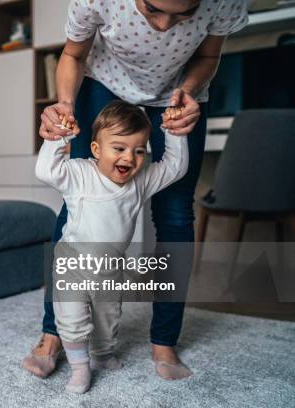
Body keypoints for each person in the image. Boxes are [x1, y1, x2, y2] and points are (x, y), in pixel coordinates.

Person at [22, 0, 248, 381]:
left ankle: (164, 341)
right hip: (104, 85)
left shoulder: (227, 1)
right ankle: (53, 333)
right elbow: (74, 53)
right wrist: (64, 104)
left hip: (178, 95)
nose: (164, 25)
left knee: (176, 216)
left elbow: (209, 53)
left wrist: (189, 92)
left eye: (183, 15)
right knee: (78, 205)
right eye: (152, 9)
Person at [35, 100, 188, 393]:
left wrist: (174, 133)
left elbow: (175, 167)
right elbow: (45, 170)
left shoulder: (141, 180)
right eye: (119, 148)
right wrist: (59, 138)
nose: (129, 157)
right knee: (71, 319)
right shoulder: (79, 174)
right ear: (96, 150)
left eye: (139, 150)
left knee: (107, 319)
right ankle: (80, 369)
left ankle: (102, 354)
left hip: (110, 267)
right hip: (73, 264)